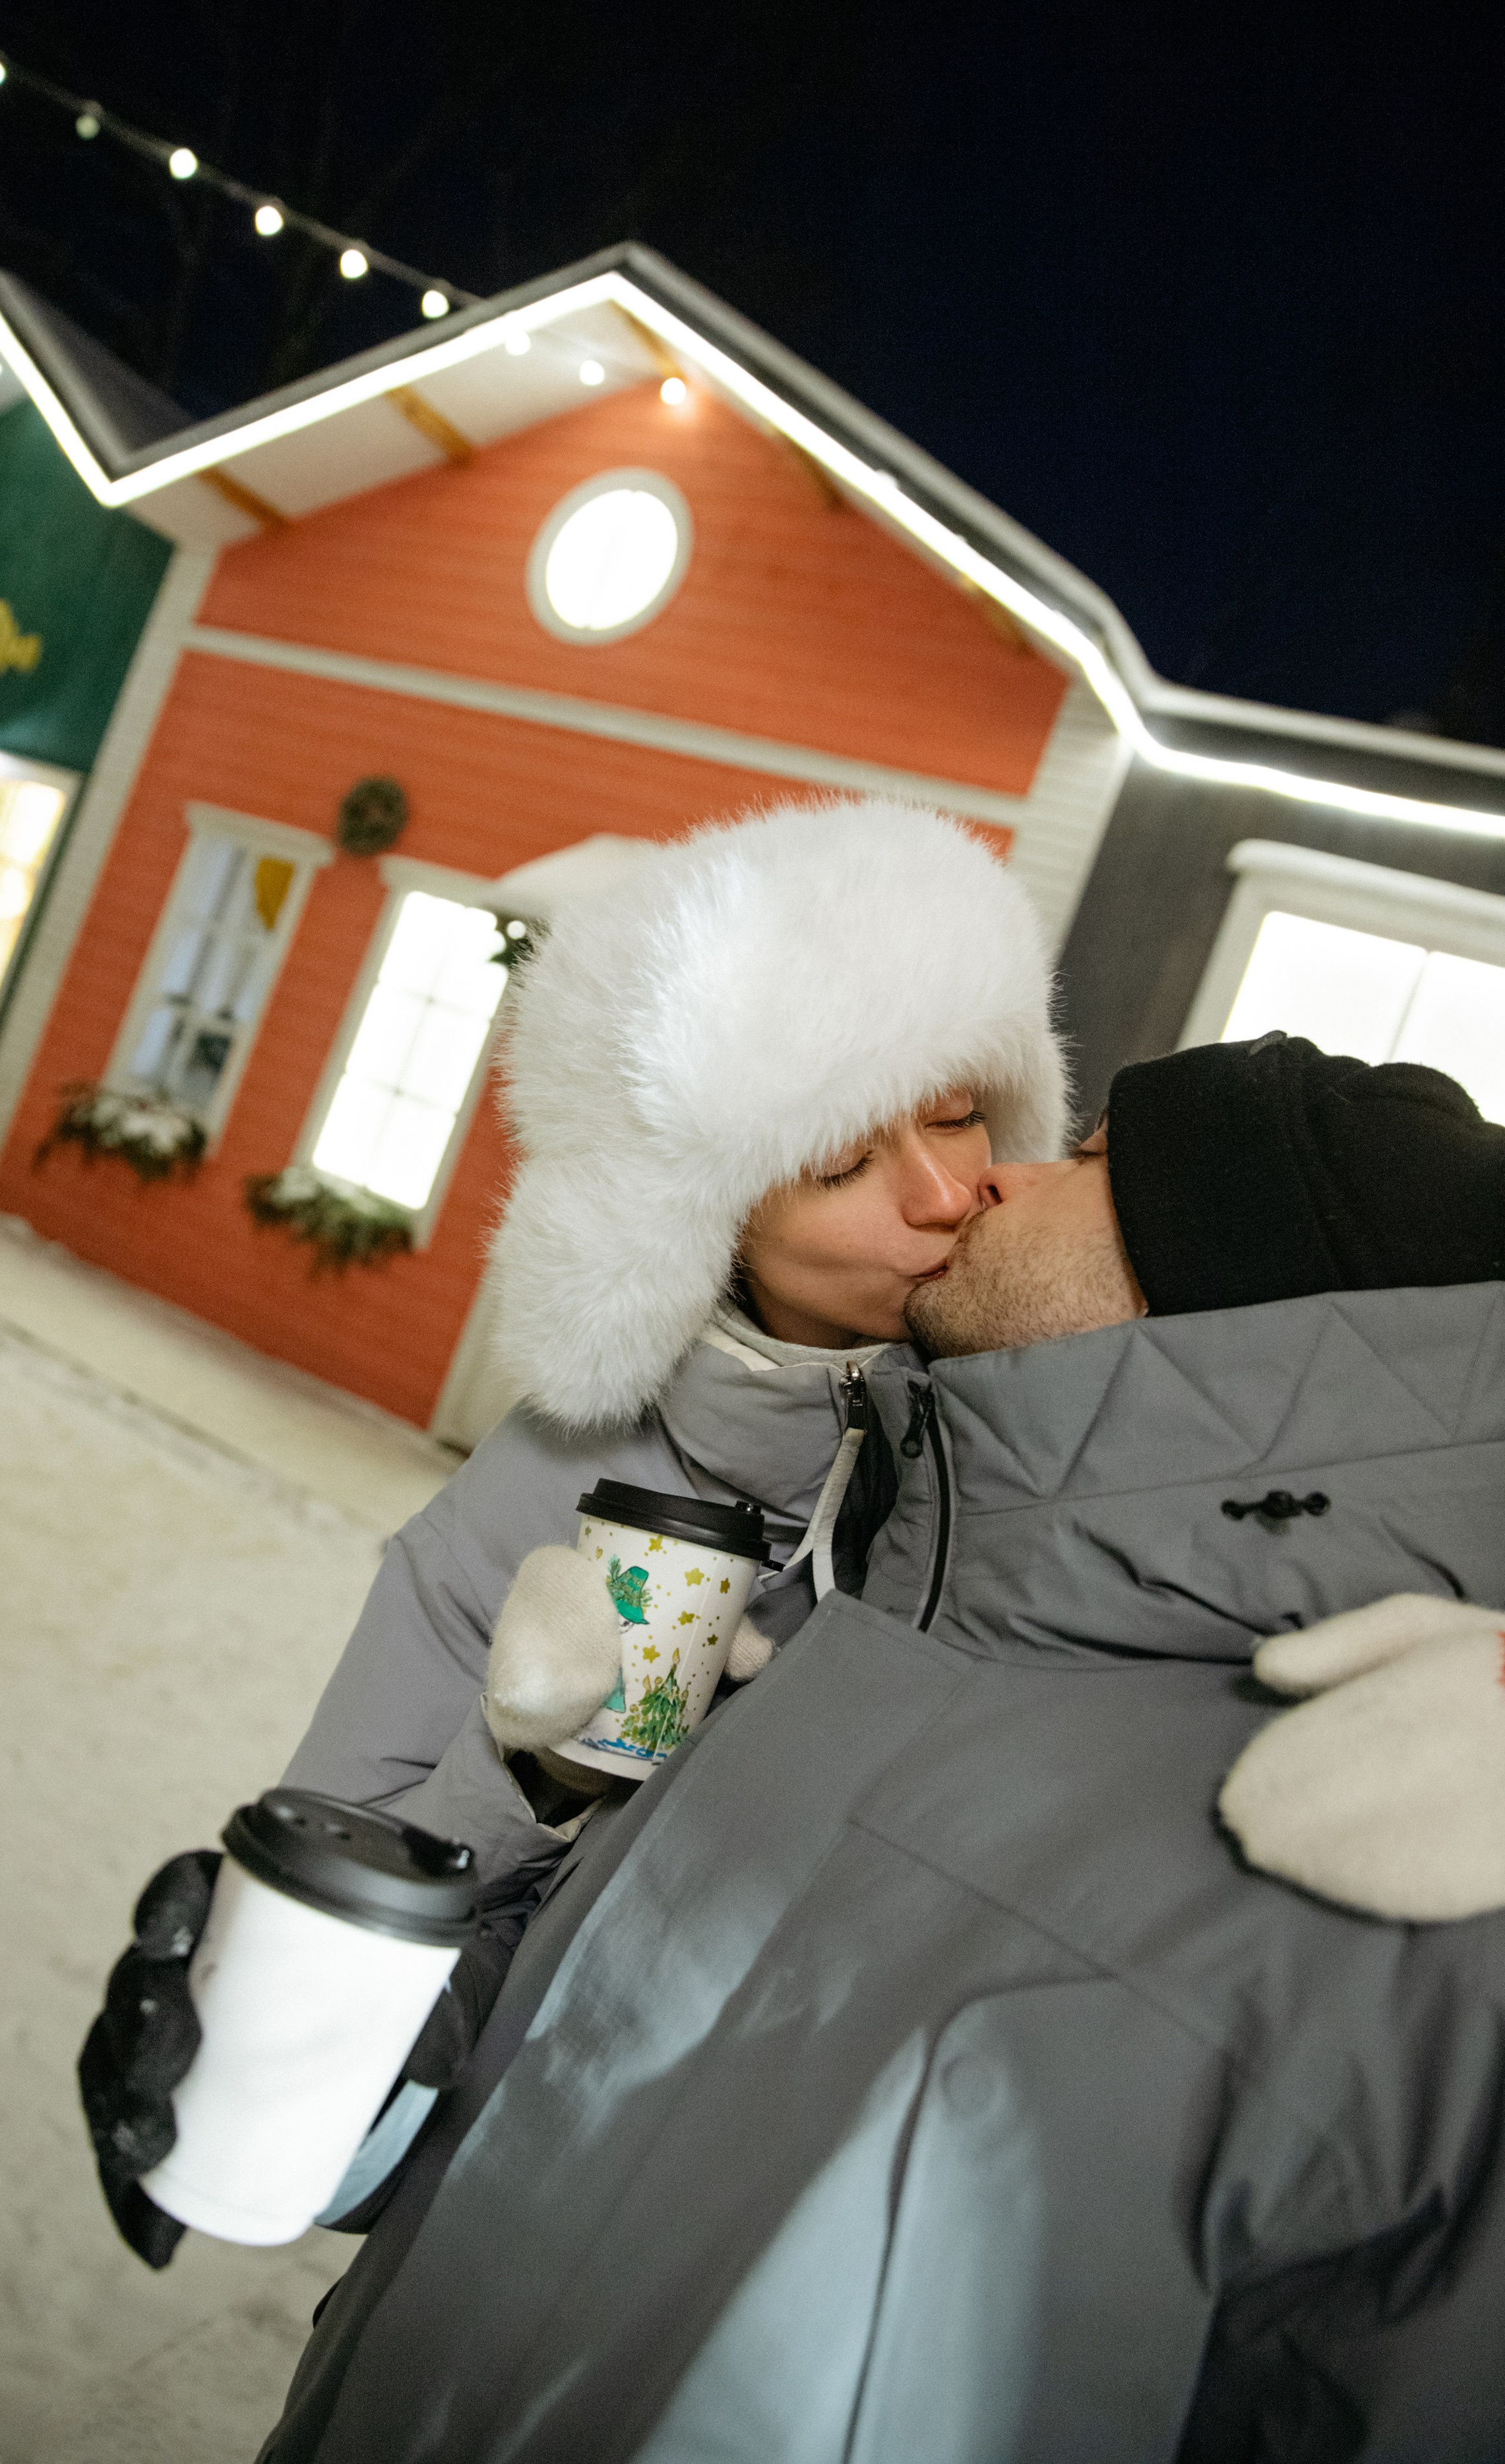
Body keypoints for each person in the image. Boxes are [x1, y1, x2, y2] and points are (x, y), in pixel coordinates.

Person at [257, 1034, 1505, 2464]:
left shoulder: (1415, 1821)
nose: (981, 1185)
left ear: (1227, 1275)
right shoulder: (886, 1605)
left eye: (1070, 1157)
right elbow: (532, 2086)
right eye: (843, 1162)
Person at [81, 794, 1065, 2263]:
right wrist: (530, 1770)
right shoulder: (553, 1477)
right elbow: (365, 1894)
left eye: (953, 1114)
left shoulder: (1063, 1446)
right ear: (710, 1219)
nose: (942, 1194)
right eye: (841, 1165)